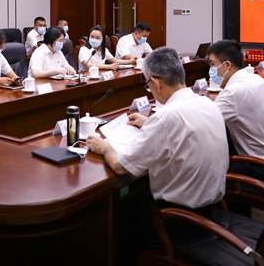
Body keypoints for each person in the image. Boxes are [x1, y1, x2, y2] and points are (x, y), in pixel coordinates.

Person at [86, 47, 228, 262]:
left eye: (148, 84)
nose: (150, 89)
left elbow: (120, 166)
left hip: (177, 219)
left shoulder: (166, 117)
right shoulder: (206, 103)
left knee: (116, 211)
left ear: (157, 82)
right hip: (210, 208)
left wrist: (104, 147)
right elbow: (181, 131)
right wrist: (149, 123)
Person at [207, 40, 264, 187]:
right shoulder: (256, 78)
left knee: (208, 172)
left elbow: (203, 122)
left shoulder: (233, 92)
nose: (210, 69)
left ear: (227, 65)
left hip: (262, 166)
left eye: (212, 64)